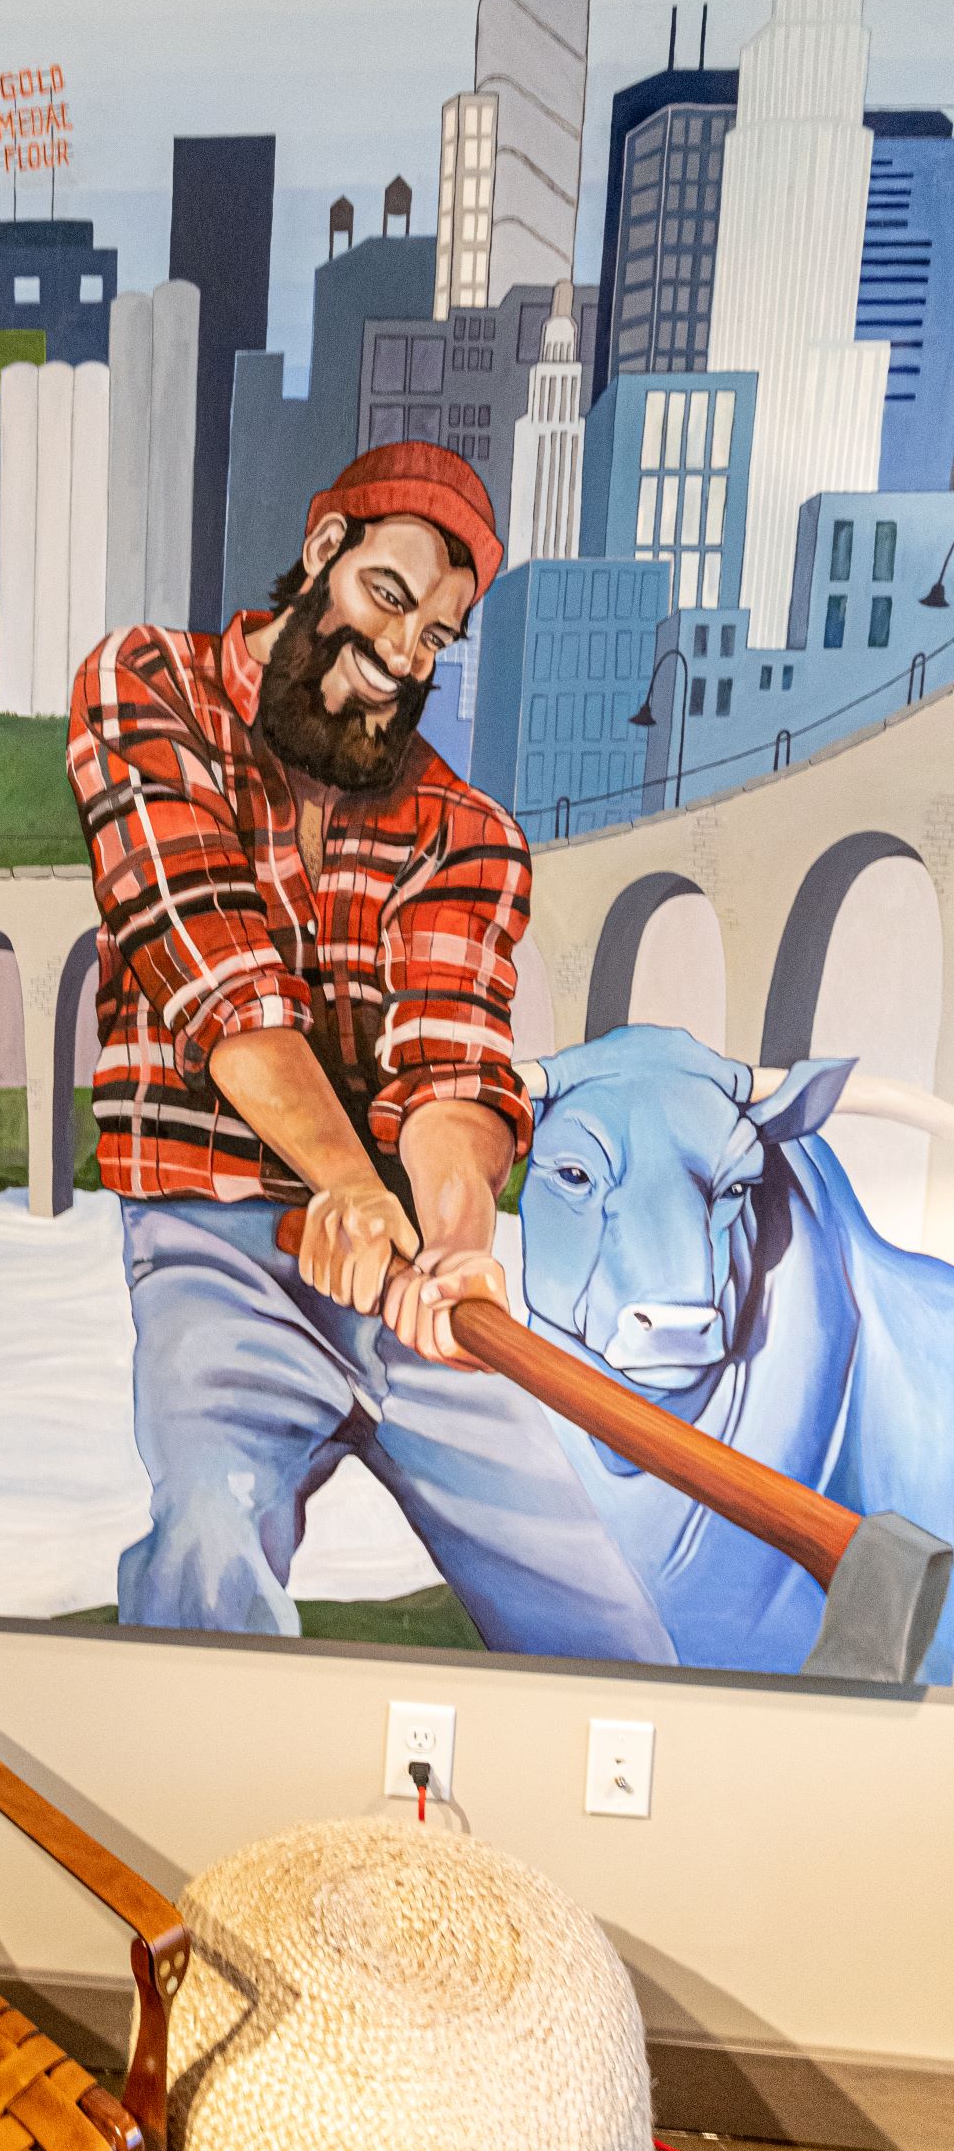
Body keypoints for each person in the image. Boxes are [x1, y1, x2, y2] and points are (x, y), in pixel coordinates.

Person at [67, 441, 675, 1662]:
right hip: (215, 1250)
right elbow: (217, 974)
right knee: (206, 1542)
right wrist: (342, 1182)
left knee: (598, 1615)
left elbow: (451, 1070)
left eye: (435, 638)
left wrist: (450, 1246)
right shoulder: (148, 689)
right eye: (390, 601)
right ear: (322, 552)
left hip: (401, 1277)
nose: (402, 659)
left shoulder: (469, 833)